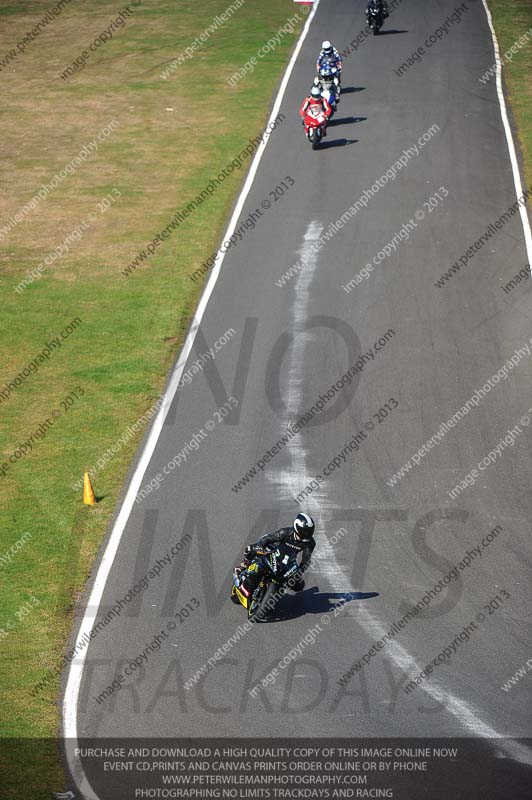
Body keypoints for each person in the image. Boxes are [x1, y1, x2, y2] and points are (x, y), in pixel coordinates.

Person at [236, 513, 316, 592]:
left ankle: (277, 590)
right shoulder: (285, 532)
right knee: (250, 549)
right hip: (273, 550)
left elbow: (306, 560)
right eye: (305, 532)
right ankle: (243, 565)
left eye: (310, 532)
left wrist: (299, 572)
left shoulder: (310, 543)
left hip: (288, 559)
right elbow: (267, 538)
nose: (307, 534)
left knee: (299, 585)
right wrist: (260, 546)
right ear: (297, 528)